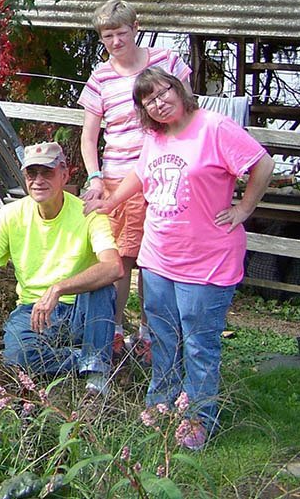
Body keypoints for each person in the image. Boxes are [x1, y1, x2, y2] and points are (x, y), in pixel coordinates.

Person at [86, 69, 274, 447]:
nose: (159, 102)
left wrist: (243, 209)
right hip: (158, 260)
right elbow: (141, 174)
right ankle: (161, 404)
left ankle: (198, 418)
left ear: (179, 89)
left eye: (163, 92)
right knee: (162, 338)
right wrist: (111, 201)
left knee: (200, 345)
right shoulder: (155, 135)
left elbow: (262, 163)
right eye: (149, 100)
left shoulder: (215, 127)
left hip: (207, 263)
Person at [0, 142, 123, 397]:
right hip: (33, 311)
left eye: (47, 172)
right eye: (31, 174)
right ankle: (91, 357)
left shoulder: (87, 213)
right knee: (18, 355)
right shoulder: (10, 215)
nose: (38, 181)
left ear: (64, 174)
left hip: (81, 310)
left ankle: (97, 382)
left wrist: (59, 288)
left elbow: (114, 267)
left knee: (102, 287)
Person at [78, 0, 192, 363]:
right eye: (108, 36)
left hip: (162, 176)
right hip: (115, 178)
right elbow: (89, 136)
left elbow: (189, 111)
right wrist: (95, 177)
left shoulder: (167, 62)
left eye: (121, 33)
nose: (115, 41)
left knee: (155, 260)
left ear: (135, 28)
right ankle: (113, 330)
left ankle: (148, 333)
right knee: (119, 259)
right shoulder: (101, 77)